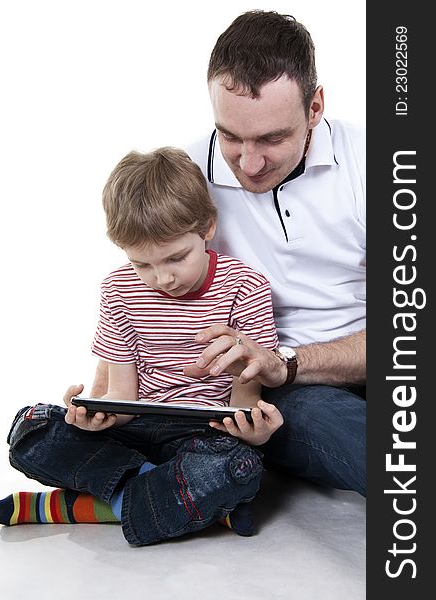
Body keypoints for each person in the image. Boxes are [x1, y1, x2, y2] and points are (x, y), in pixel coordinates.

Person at [91, 10, 366, 496]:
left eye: (273, 138)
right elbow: (135, 291)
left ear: (315, 107)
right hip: (289, 392)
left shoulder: (377, 164)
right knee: (339, 428)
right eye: (231, 136)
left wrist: (290, 359)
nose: (249, 162)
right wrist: (105, 397)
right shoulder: (187, 173)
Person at [0, 147, 283, 546]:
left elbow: (243, 402)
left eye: (177, 258)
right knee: (31, 426)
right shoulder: (118, 289)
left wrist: (256, 433)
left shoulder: (245, 286)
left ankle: (75, 507)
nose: (163, 278)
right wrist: (96, 415)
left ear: (208, 227)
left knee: (239, 465)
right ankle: (181, 499)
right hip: (136, 431)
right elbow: (121, 394)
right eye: (142, 264)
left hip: (204, 433)